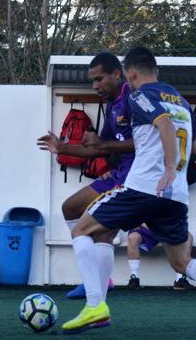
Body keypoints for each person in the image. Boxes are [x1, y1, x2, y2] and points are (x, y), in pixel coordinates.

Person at [62, 47, 196, 339]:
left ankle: (95, 305)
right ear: (157, 70)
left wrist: (166, 166)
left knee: (80, 230)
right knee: (181, 262)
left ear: (130, 73)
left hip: (144, 187)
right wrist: (173, 168)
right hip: (176, 196)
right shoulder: (180, 101)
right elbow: (192, 150)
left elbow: (164, 125)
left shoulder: (139, 96)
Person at [37, 53, 135, 300]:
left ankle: (95, 290)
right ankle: (100, 287)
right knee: (75, 212)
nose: (95, 86)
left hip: (134, 180)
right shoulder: (113, 105)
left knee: (83, 225)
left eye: (99, 79)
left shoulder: (133, 99)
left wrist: (104, 144)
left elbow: (148, 142)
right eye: (92, 81)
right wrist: (62, 148)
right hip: (119, 175)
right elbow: (97, 148)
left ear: (116, 74)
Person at [125, 224, 196, 290]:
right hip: (145, 227)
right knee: (133, 237)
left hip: (166, 228)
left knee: (188, 238)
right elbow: (137, 217)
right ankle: (134, 278)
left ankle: (180, 279)